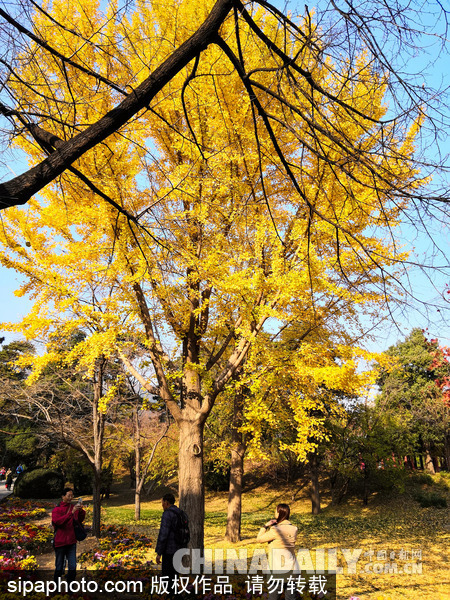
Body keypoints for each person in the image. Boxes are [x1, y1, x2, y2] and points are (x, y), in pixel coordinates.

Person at [257, 503, 298, 600]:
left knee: (273, 597)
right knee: (291, 598)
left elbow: (259, 539)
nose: (274, 512)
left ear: (279, 513)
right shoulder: (294, 529)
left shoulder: (275, 530)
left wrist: (265, 526)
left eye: (275, 511)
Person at [52, 487, 85, 584]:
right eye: (68, 495)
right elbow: (58, 522)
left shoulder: (73, 508)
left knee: (72, 567)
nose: (71, 497)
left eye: (72, 495)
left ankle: (70, 587)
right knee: (59, 567)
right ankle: (56, 587)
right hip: (60, 542)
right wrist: (71, 513)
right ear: (63, 497)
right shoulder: (57, 510)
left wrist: (81, 511)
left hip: (71, 542)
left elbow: (79, 520)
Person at [155, 493, 184, 595]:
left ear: (166, 503)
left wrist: (159, 552)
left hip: (169, 550)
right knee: (175, 575)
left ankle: (170, 595)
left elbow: (164, 534)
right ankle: (175, 594)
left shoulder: (167, 514)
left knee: (167, 575)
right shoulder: (180, 512)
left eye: (162, 503)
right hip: (180, 548)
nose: (162, 505)